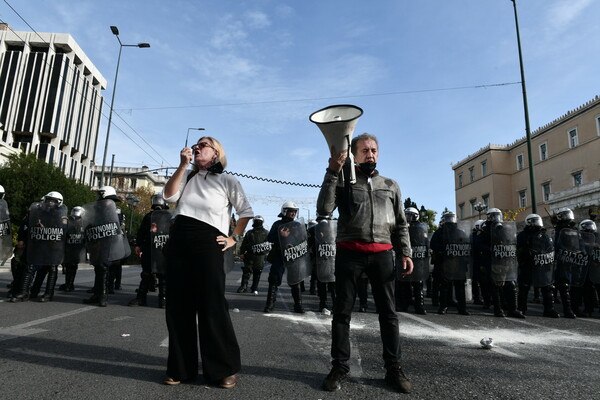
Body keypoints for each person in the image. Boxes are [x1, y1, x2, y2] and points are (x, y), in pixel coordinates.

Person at [317, 133, 414, 394]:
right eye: (364, 151)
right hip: (350, 253)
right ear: (354, 154)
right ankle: (339, 367)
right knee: (342, 313)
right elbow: (324, 209)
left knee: (388, 314)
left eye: (373, 150)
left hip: (383, 255)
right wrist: (332, 172)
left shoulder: (391, 185)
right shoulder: (343, 181)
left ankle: (393, 368)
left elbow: (401, 223)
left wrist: (406, 252)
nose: (370, 154)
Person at [162, 136, 253, 389]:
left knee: (212, 304)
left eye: (204, 144)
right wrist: (182, 166)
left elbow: (245, 211)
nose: (198, 146)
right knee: (179, 305)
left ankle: (223, 368)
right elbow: (169, 197)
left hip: (208, 240)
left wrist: (234, 237)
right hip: (180, 238)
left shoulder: (227, 180)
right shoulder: (188, 177)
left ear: (216, 153)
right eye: (197, 144)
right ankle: (181, 367)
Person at [83, 186, 127, 307]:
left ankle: (102, 296)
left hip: (107, 242)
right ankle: (98, 295)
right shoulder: (108, 209)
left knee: (102, 267)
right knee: (99, 267)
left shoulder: (110, 209)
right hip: (101, 241)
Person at [477, 208, 524, 318]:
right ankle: (498, 309)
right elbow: (478, 243)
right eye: (493, 216)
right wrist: (489, 249)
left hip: (506, 260)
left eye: (497, 215)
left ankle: (513, 309)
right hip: (492, 262)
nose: (496, 218)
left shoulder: (505, 228)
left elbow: (511, 241)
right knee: (496, 286)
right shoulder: (485, 230)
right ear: (488, 217)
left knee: (511, 284)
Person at [263, 202, 309, 314]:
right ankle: (270, 303)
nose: (293, 213)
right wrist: (280, 235)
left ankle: (298, 305)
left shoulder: (297, 225)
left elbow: (302, 239)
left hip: (293, 255)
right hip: (279, 254)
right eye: (291, 211)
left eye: (295, 211)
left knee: (296, 279)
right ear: (284, 211)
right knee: (274, 278)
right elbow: (270, 239)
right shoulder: (277, 224)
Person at [129, 194, 170, 308]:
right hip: (154, 248)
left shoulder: (166, 217)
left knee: (156, 274)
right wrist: (138, 244)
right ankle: (161, 300)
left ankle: (157, 299)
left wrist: (138, 244)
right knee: (152, 273)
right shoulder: (164, 216)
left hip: (158, 248)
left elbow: (141, 232)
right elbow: (142, 231)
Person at [516, 214, 559, 318]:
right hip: (528, 264)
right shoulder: (522, 235)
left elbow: (549, 248)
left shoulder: (544, 236)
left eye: (537, 221)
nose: (537, 224)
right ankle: (521, 308)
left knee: (547, 286)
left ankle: (549, 309)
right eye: (534, 221)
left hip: (541, 265)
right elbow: (518, 250)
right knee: (524, 287)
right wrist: (526, 252)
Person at [430, 212, 470, 316]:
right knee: (445, 285)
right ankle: (443, 306)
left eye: (451, 218)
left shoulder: (460, 232)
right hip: (444, 262)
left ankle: (462, 308)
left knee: (459, 285)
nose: (450, 221)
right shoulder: (439, 232)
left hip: (458, 263)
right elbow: (433, 245)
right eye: (448, 218)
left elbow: (466, 245)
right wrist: (445, 249)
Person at [395, 207, 429, 315]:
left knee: (418, 284)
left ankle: (420, 306)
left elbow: (424, 243)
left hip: (418, 260)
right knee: (404, 283)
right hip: (405, 258)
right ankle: (404, 305)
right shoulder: (402, 227)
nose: (408, 217)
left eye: (411, 215)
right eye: (407, 215)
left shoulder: (420, 228)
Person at [237, 215, 270, 295]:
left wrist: (266, 252)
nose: (257, 222)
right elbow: (244, 243)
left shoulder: (266, 233)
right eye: (256, 221)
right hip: (250, 255)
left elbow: (269, 245)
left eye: (259, 221)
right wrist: (241, 253)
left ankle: (254, 287)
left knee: (257, 272)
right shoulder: (249, 233)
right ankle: (244, 286)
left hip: (260, 256)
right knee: (247, 271)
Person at [59, 206, 86, 292]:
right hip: (69, 247)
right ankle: (68, 284)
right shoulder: (69, 222)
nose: (76, 219)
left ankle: (69, 284)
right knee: (68, 266)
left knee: (73, 266)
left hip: (78, 249)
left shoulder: (84, 224)